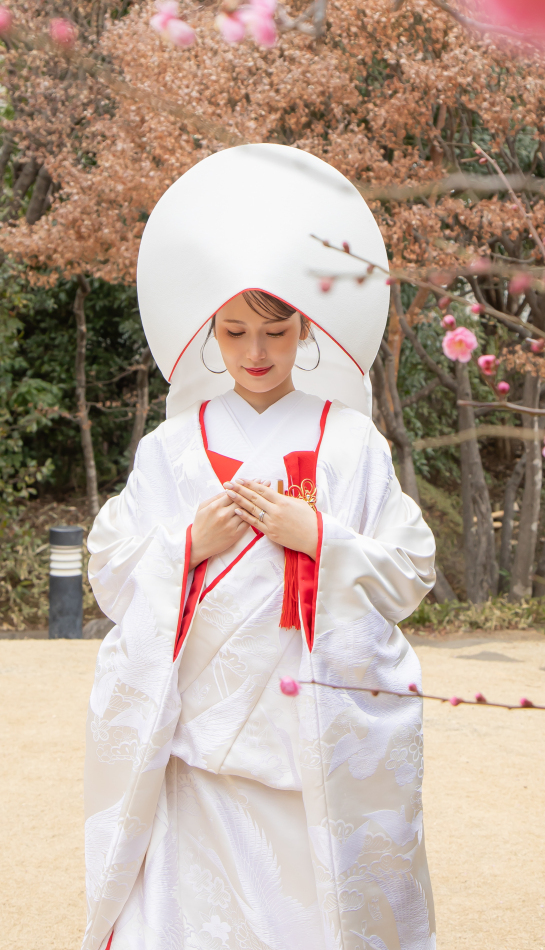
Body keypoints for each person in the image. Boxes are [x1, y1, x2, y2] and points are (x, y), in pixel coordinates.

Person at [82, 144, 437, 950]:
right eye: (234, 331)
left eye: (274, 332)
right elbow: (110, 566)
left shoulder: (349, 442)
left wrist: (316, 537)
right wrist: (185, 544)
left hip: (305, 741)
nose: (254, 353)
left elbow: (411, 566)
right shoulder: (172, 448)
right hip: (193, 748)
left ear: (306, 327)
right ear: (208, 330)